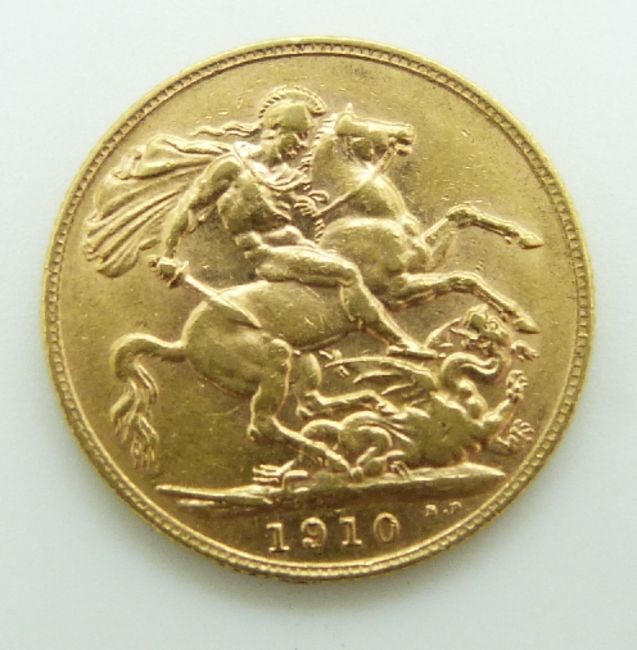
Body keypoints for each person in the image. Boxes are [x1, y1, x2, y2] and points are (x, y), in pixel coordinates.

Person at [154, 85, 426, 356]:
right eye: (299, 135)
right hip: (268, 254)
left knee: (361, 271)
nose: (303, 145)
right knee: (347, 272)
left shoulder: (286, 175)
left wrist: (310, 207)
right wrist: (168, 254)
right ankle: (396, 342)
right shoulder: (233, 167)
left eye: (306, 137)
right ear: (276, 130)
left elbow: (300, 211)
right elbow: (190, 207)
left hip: (299, 246)